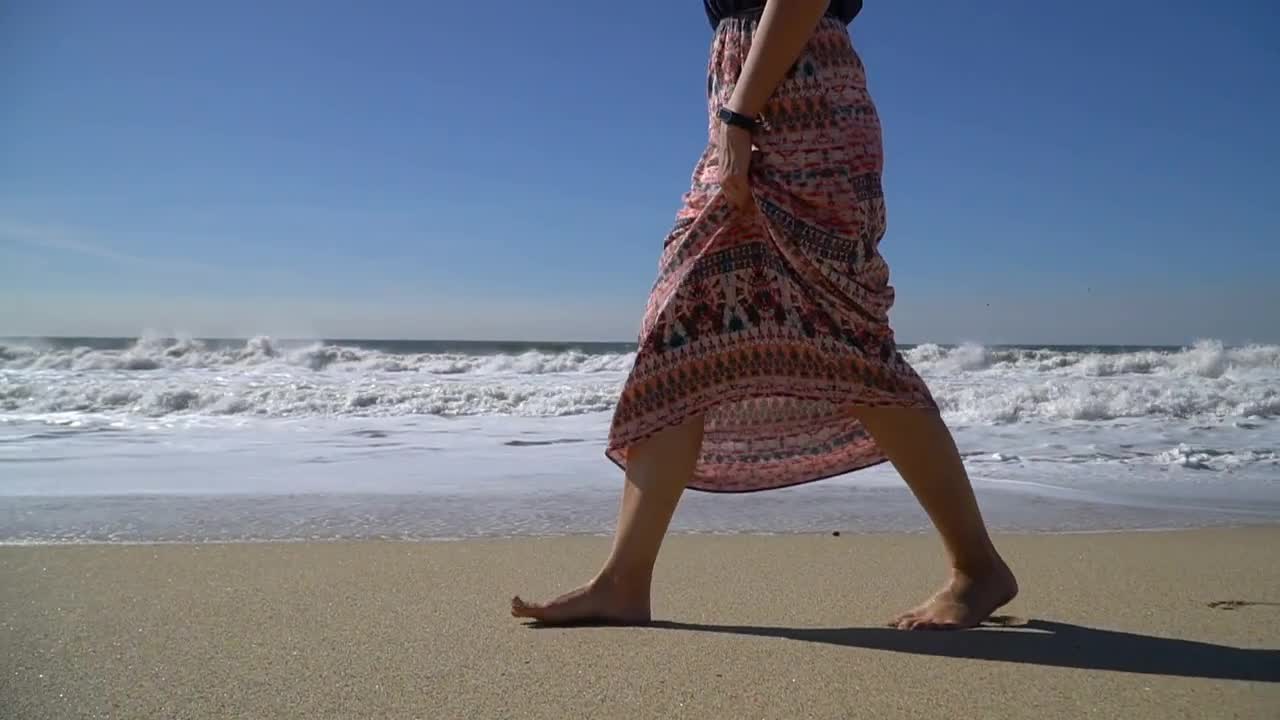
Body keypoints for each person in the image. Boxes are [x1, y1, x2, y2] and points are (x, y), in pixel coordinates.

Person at [512, 0, 1018, 630]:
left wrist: (740, 111)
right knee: (686, 320)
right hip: (760, 94)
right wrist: (736, 108)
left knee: (846, 334)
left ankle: (977, 567)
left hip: (794, 103)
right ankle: (624, 580)